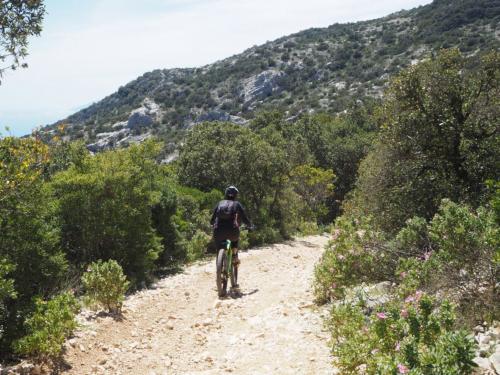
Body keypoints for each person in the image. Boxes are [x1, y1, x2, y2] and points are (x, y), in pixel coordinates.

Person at [210, 186, 252, 287]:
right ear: (236, 195)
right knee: (234, 241)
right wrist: (251, 225)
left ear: (225, 194)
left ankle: (219, 273)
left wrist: (213, 224)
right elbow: (244, 218)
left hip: (218, 232)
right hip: (232, 232)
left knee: (219, 248)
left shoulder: (220, 203)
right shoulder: (237, 204)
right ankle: (234, 256)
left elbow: (212, 220)